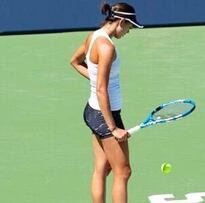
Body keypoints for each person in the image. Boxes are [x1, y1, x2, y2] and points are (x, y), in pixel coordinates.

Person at [70, 2, 143, 203]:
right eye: (129, 27)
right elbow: (102, 88)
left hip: (93, 111)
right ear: (121, 21)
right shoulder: (107, 47)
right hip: (105, 115)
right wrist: (114, 128)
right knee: (123, 172)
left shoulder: (93, 37)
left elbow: (75, 61)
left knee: (102, 168)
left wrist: (95, 80)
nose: (129, 31)